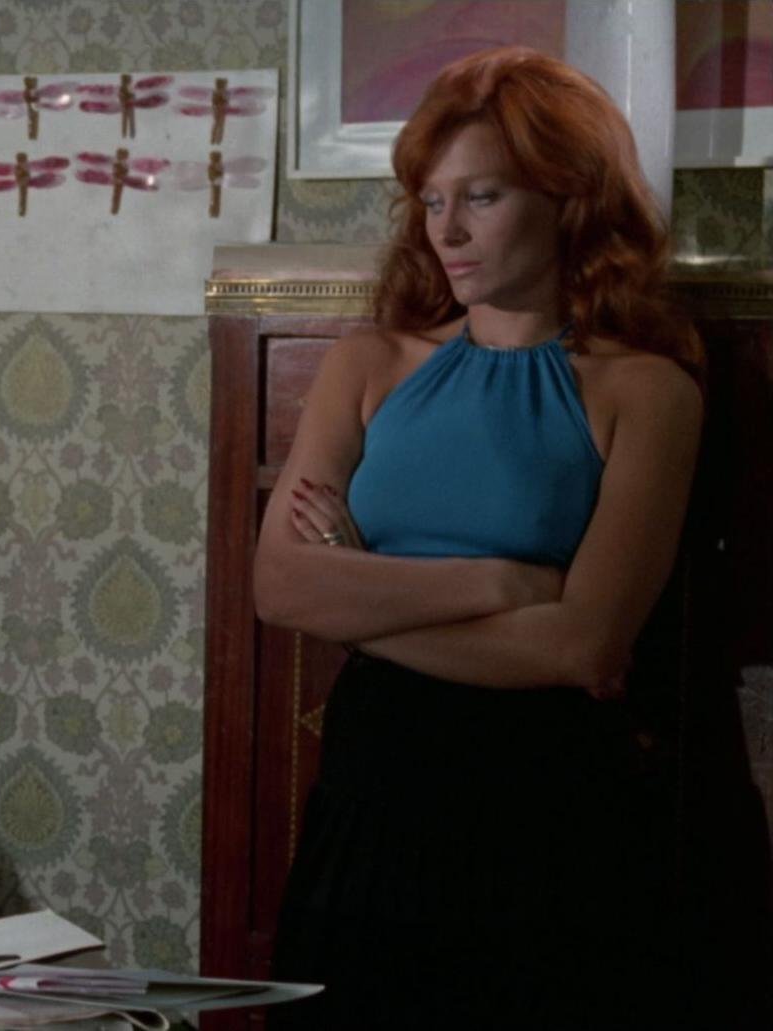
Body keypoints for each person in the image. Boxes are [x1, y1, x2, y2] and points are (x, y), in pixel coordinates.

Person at [252, 48, 713, 1029]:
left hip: (547, 811)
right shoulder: (371, 363)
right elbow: (281, 586)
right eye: (431, 201)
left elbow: (584, 645)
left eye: (482, 197)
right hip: (370, 793)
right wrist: (504, 582)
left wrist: (360, 600)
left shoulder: (647, 392)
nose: (447, 230)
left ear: (569, 199)